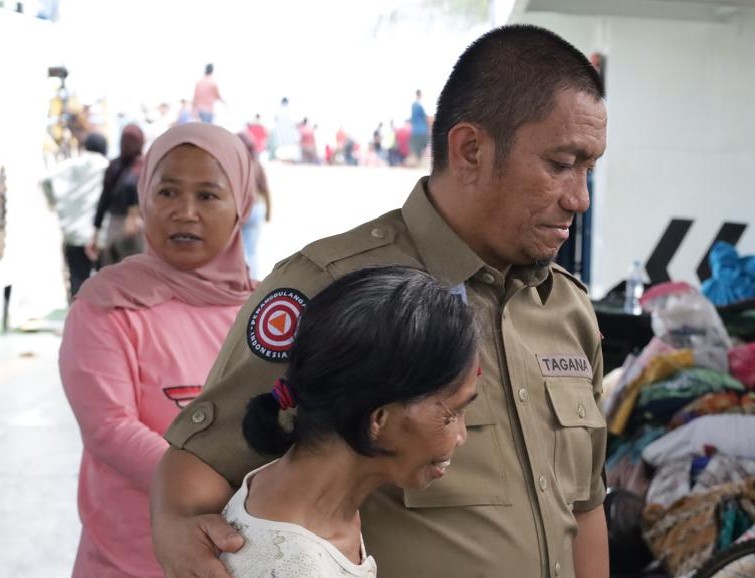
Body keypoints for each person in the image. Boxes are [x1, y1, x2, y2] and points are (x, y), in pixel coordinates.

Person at [152, 23, 609, 578]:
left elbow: (583, 507)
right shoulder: (332, 289)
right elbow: (202, 466)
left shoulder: (568, 311)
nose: (579, 197)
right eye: (561, 164)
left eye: (590, 168)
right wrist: (180, 531)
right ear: (470, 150)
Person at [59, 123, 257, 578]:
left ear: (240, 206)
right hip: (128, 560)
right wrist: (230, 489)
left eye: (208, 195)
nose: (184, 212)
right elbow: (110, 428)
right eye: (167, 192)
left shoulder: (269, 311)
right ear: (144, 198)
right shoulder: (106, 303)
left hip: (246, 556)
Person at [221, 266, 480, 577]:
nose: (462, 436)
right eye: (452, 414)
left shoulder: (294, 494)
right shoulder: (294, 567)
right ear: (380, 420)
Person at [40, 132, 109, 299]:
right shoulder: (106, 166)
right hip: (98, 234)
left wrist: (54, 203)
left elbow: (45, 180)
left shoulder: (68, 165)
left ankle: (78, 320)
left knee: (78, 281)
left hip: (73, 231)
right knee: (105, 282)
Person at [89, 124, 146, 267]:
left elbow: (104, 200)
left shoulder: (116, 166)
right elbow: (105, 199)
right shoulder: (143, 166)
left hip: (123, 225)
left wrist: (96, 231)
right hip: (131, 225)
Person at [237, 131, 271, 279]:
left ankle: (244, 282)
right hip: (259, 208)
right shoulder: (257, 164)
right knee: (251, 250)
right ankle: (253, 282)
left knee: (241, 251)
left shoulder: (237, 165)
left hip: (244, 209)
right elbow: (266, 189)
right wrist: (268, 211)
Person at [409, 89, 429, 165]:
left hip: (415, 131)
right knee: (422, 146)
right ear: (420, 95)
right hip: (422, 130)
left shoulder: (413, 105)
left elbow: (412, 118)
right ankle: (419, 162)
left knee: (417, 148)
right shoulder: (419, 106)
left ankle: (417, 161)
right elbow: (425, 118)